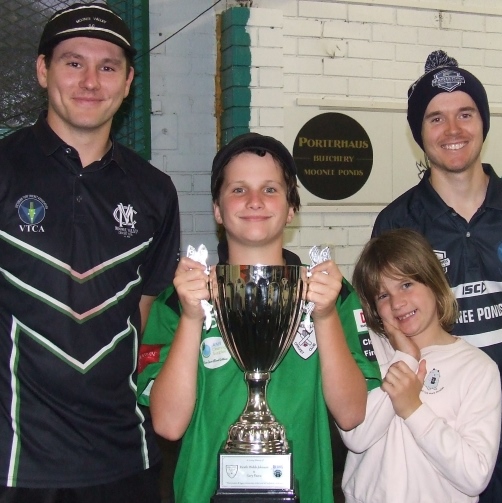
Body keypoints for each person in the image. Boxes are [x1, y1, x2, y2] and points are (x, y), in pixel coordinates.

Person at [137, 132, 382, 503]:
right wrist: (191, 319)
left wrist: (326, 315)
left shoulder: (333, 295)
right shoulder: (178, 301)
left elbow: (350, 414)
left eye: (270, 190)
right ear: (217, 209)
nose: (254, 201)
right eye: (238, 190)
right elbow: (169, 426)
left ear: (291, 208)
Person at [0, 3, 180, 503]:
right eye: (73, 62)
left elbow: (135, 321)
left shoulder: (155, 192)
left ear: (128, 84)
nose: (90, 82)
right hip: (16, 463)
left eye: (108, 67)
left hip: (125, 460)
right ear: (42, 70)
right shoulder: (6, 169)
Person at [372, 49, 502, 502]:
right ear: (419, 132)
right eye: (436, 118)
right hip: (437, 431)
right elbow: (385, 331)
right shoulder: (397, 223)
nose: (453, 130)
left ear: (484, 122)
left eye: (465, 114)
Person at [339, 228, 501, 502]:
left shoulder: (478, 368)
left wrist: (413, 409)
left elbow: (475, 476)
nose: (398, 303)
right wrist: (406, 358)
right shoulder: (370, 352)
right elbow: (356, 435)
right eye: (382, 296)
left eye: (406, 285)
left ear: (433, 282)